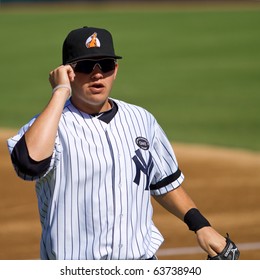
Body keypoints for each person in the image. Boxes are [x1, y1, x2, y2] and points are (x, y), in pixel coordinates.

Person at [7, 26, 229, 260]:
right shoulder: (52, 124)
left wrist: (201, 225)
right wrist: (60, 92)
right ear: (67, 72)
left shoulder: (141, 119)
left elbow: (164, 181)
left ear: (116, 70)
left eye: (105, 65)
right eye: (85, 66)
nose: (97, 74)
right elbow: (28, 166)